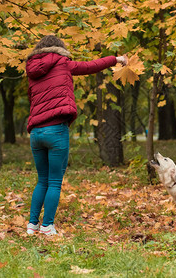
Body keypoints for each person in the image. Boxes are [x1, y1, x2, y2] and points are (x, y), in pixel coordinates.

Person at [25, 35, 127, 236]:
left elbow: (32, 99)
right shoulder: (63, 63)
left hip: (36, 132)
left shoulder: (31, 70)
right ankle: (47, 226)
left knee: (42, 180)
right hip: (56, 130)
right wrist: (116, 59)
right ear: (59, 49)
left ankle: (32, 225)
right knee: (54, 181)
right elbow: (92, 66)